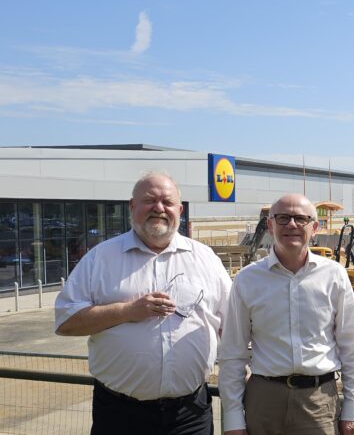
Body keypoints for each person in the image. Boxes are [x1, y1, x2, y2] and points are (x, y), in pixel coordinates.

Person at [55, 172, 232, 435]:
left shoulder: (206, 259)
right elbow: (65, 322)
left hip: (189, 416)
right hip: (119, 415)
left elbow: (232, 327)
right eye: (149, 200)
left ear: (179, 210)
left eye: (167, 202)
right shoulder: (101, 258)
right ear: (132, 206)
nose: (159, 208)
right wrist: (127, 311)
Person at [220, 193, 354, 435]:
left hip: (318, 402)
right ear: (270, 225)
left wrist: (352, 409)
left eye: (301, 218)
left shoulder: (334, 276)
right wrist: (233, 418)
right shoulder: (247, 280)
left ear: (315, 227)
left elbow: (352, 345)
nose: (291, 225)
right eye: (283, 218)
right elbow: (232, 352)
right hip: (264, 401)